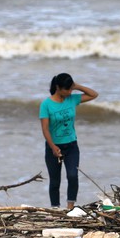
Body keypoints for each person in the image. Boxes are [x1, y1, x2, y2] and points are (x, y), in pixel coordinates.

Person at [39, 73, 98, 210]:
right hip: (53, 147)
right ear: (58, 87)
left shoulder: (72, 99)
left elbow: (94, 94)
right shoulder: (46, 104)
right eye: (68, 89)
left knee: (72, 175)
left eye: (71, 89)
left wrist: (76, 86)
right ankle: (55, 208)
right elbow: (45, 129)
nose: (70, 92)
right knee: (55, 181)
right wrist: (53, 147)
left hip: (71, 145)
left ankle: (70, 207)